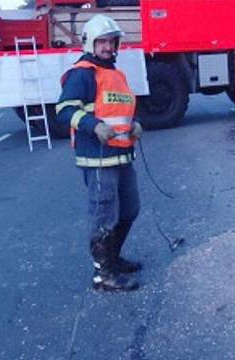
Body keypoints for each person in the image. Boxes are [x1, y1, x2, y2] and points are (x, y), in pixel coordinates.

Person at [56, 15, 143, 292]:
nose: (107, 46)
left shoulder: (115, 74)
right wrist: (92, 126)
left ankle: (113, 258)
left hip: (121, 155)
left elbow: (120, 111)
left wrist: (134, 125)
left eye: (111, 41)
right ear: (90, 43)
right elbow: (64, 110)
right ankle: (103, 274)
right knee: (104, 214)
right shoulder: (82, 73)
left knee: (130, 209)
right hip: (97, 159)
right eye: (102, 41)